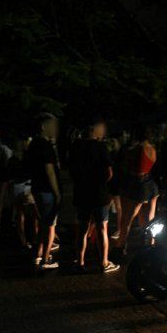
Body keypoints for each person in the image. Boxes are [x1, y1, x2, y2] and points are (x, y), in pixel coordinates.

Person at [70, 117, 119, 273]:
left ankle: (80, 262)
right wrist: (99, 183)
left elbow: (71, 170)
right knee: (101, 228)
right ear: (95, 129)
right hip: (99, 194)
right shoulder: (100, 147)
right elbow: (109, 173)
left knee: (82, 228)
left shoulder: (75, 146)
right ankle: (104, 263)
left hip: (81, 192)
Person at [25, 113, 61, 269]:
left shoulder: (33, 144)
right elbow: (50, 171)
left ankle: (38, 254)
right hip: (47, 190)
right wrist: (57, 192)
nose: (55, 128)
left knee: (43, 223)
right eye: (52, 125)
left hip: (37, 188)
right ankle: (45, 259)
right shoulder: (45, 146)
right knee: (50, 226)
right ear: (43, 127)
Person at [115, 125, 159, 252]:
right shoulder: (153, 150)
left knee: (127, 219)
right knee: (148, 219)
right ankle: (149, 245)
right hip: (150, 185)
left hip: (135, 185)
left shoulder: (134, 150)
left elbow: (124, 166)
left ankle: (121, 246)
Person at [8, 137, 38, 248]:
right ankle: (34, 237)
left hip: (18, 186)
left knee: (21, 214)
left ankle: (23, 240)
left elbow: (10, 176)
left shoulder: (12, 159)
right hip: (27, 185)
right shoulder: (28, 157)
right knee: (33, 213)